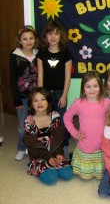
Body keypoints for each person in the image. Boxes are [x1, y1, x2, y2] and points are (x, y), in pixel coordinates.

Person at [64, 71, 110, 180]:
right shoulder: (78, 103)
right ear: (83, 88)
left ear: (100, 87)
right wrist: (74, 132)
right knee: (86, 175)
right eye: (88, 86)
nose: (92, 90)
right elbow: (66, 117)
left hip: (102, 143)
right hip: (85, 142)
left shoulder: (107, 103)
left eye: (95, 86)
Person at [23, 87, 73, 185]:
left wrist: (59, 153)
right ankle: (35, 168)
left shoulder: (55, 116)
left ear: (48, 101)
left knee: (68, 175)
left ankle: (52, 167)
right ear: (31, 104)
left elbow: (59, 138)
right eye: (35, 100)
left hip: (54, 152)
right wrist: (48, 157)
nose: (39, 103)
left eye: (43, 99)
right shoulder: (28, 121)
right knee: (51, 178)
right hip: (39, 156)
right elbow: (32, 146)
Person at [37, 20, 72, 157]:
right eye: (50, 33)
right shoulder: (42, 54)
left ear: (61, 36)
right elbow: (40, 74)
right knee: (47, 121)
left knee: (61, 122)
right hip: (46, 94)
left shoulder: (65, 54)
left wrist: (64, 95)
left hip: (59, 93)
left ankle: (63, 150)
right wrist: (40, 96)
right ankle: (47, 148)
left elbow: (67, 76)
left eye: (56, 34)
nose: (53, 37)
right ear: (45, 36)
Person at [9, 25, 38, 160]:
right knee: (22, 125)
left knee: (37, 123)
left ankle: (34, 147)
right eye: (25, 39)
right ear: (20, 41)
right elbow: (13, 79)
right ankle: (21, 148)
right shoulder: (15, 56)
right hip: (23, 97)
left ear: (35, 40)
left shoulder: (39, 55)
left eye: (31, 38)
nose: (28, 41)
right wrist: (16, 99)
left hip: (37, 98)